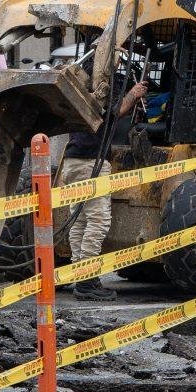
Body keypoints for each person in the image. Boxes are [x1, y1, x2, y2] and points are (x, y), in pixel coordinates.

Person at [63, 79, 149, 302]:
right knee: (98, 221)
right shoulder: (99, 92)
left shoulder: (79, 92)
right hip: (91, 162)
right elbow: (117, 110)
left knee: (80, 221)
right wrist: (133, 93)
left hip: (72, 162)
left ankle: (81, 274)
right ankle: (87, 280)